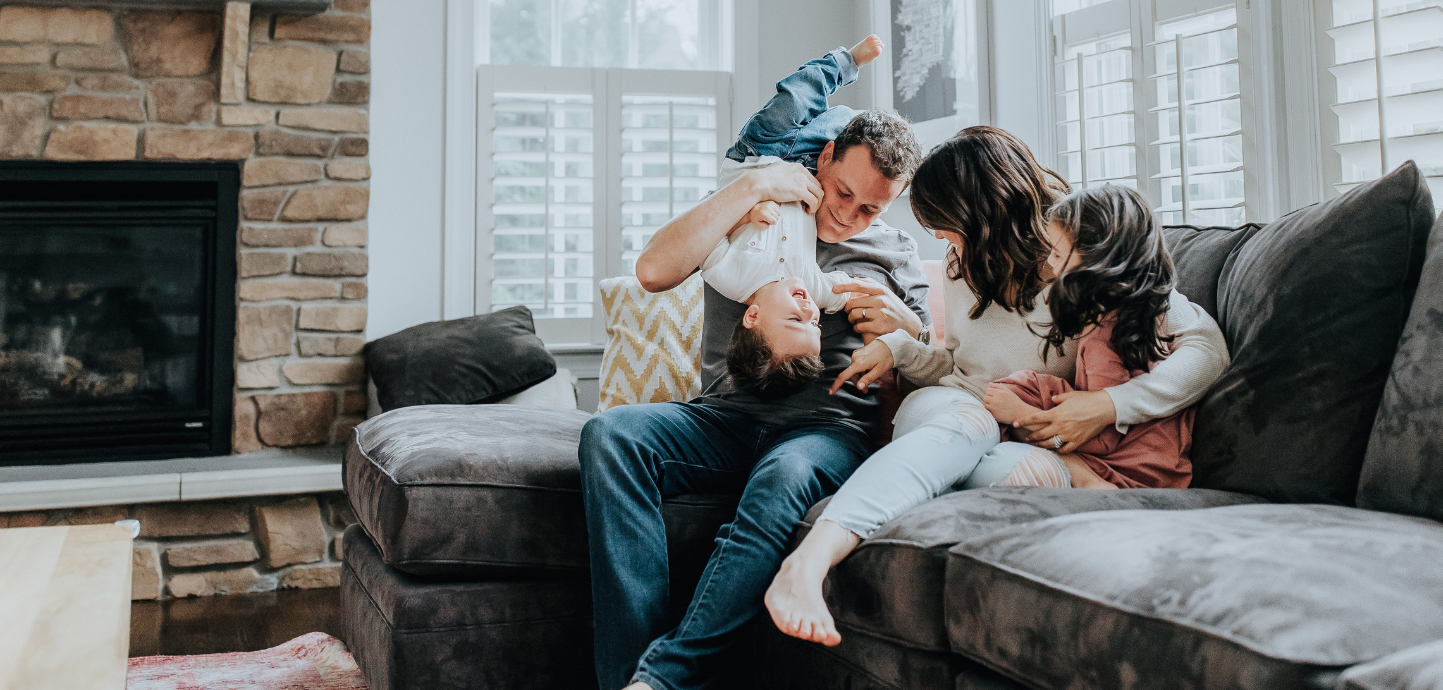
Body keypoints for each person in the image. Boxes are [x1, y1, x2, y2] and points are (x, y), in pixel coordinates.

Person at [764, 126, 1231, 648]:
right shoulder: (959, 263)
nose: (942, 241)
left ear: (982, 214)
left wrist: (1107, 406)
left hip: (1025, 436)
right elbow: (955, 368)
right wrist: (900, 348)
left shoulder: (1079, 253)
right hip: (958, 407)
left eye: (946, 226)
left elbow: (1206, 350)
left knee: (1015, 473)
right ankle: (809, 561)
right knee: (968, 426)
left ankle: (892, 506)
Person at [578, 36, 931, 690]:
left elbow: (933, 360)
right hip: (723, 418)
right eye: (843, 190)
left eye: (870, 209)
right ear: (824, 156)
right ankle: (630, 679)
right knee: (610, 435)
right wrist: (757, 184)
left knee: (781, 477)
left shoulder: (895, 251)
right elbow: (654, 270)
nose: (848, 217)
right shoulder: (757, 206)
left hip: (826, 432)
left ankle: (664, 678)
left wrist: (906, 327)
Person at [701, 36, 885, 399]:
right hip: (805, 168)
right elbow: (851, 293)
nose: (808, 309)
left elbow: (709, 231)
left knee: (797, 98)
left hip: (759, 153)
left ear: (752, 317)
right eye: (814, 323)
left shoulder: (729, 277)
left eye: (795, 319)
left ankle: (846, 61)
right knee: (850, 126)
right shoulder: (812, 288)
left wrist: (746, 215)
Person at [982, 185, 1198, 491]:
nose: (1051, 265)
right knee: (1032, 388)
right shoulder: (1141, 314)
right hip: (1161, 461)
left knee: (1020, 394)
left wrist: (1022, 415)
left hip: (1135, 470)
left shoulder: (1104, 339)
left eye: (1058, 254)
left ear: (1097, 259)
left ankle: (1087, 482)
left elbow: (1102, 438)